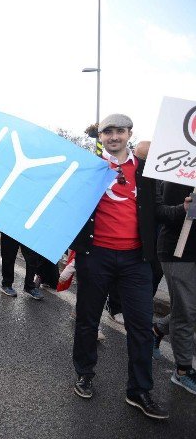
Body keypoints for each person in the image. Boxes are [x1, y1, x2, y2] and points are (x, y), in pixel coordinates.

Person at [70, 114, 168, 419]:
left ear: (129, 134)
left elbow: (156, 210)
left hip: (136, 260)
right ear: (100, 136)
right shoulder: (88, 168)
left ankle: (139, 390)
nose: (114, 136)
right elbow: (66, 203)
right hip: (95, 255)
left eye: (120, 131)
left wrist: (183, 209)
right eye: (108, 132)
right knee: (87, 320)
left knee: (141, 326)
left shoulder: (144, 171)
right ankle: (85, 372)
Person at [155, 179, 195, 394]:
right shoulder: (179, 175)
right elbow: (162, 213)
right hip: (179, 253)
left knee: (188, 309)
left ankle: (157, 329)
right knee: (186, 312)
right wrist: (186, 208)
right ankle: (182, 371)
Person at [0, 233, 43, 300]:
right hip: (11, 227)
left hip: (28, 230)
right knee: (8, 256)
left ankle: (30, 286)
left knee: (33, 257)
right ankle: (6, 284)